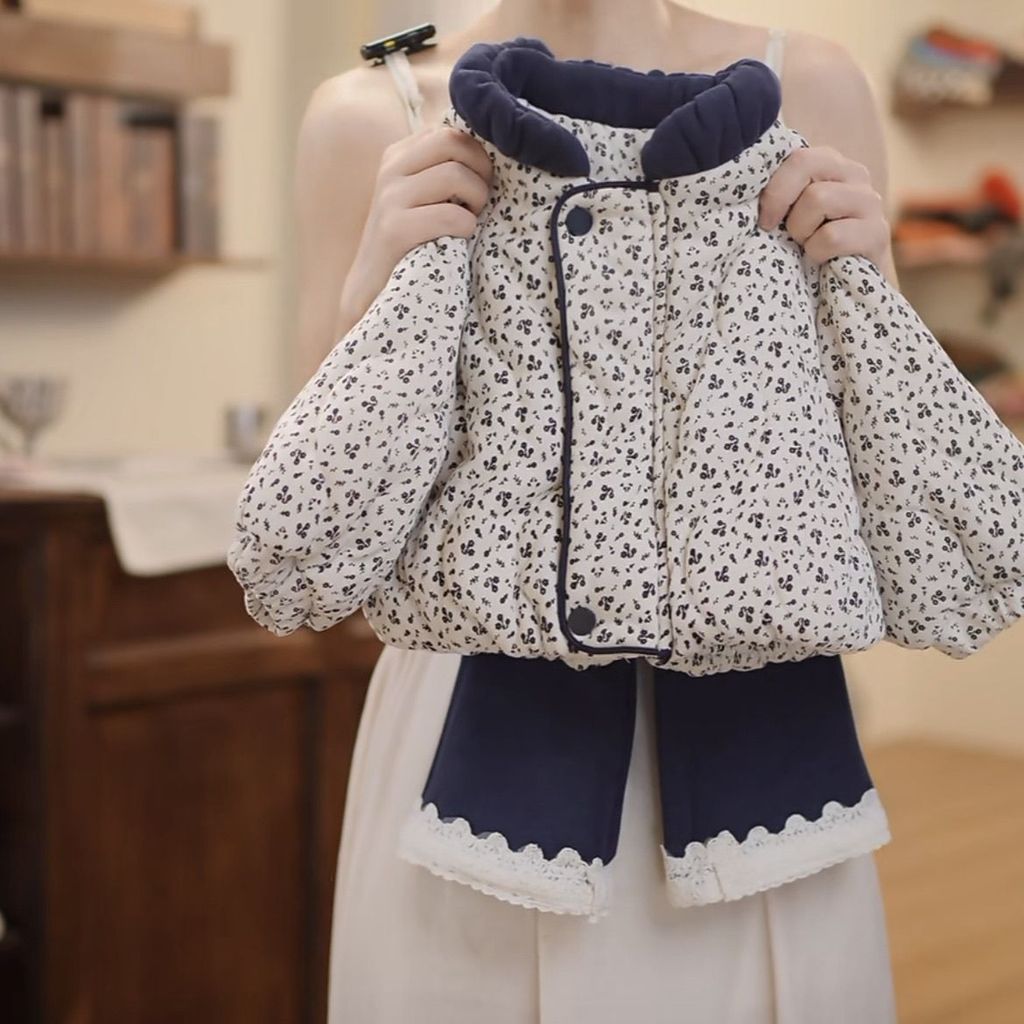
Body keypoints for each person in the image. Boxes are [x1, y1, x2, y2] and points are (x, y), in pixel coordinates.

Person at [294, 4, 900, 1021]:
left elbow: (875, 468)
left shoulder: (814, 86)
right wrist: (371, 289)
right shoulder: (372, 112)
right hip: (463, 714)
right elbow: (322, 526)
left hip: (764, 727)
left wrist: (866, 273)